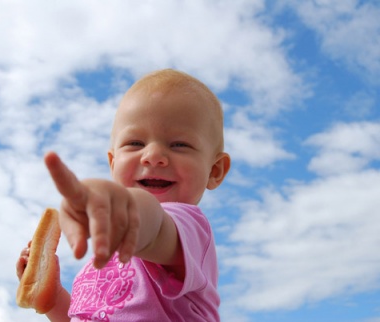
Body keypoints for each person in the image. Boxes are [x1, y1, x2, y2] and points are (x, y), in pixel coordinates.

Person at [16, 69, 231, 321]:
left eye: (179, 145)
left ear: (214, 171)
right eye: (135, 143)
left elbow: (152, 226)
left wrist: (121, 207)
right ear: (112, 161)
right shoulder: (101, 261)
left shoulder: (188, 229)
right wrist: (52, 299)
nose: (152, 155)